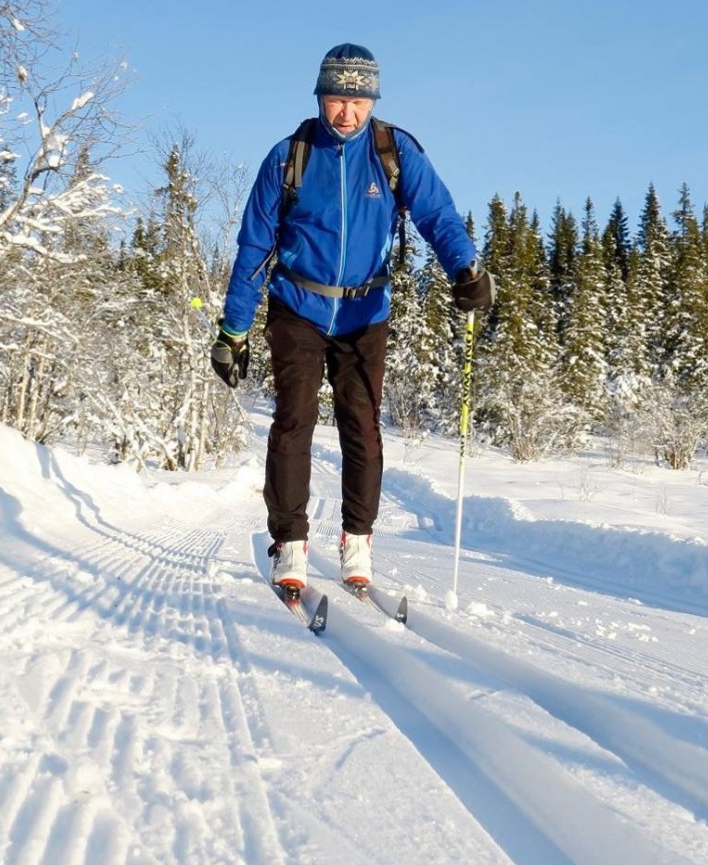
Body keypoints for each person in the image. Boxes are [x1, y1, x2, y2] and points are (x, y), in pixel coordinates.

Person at [209, 44, 494, 595]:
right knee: (293, 421)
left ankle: (357, 538)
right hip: (298, 305)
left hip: (366, 310)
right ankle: (289, 542)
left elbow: (436, 213)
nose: (347, 112)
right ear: (321, 97)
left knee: (362, 426)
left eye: (358, 100)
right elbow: (253, 248)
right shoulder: (289, 157)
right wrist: (233, 330)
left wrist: (465, 266)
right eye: (338, 98)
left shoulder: (394, 152)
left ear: (372, 101)